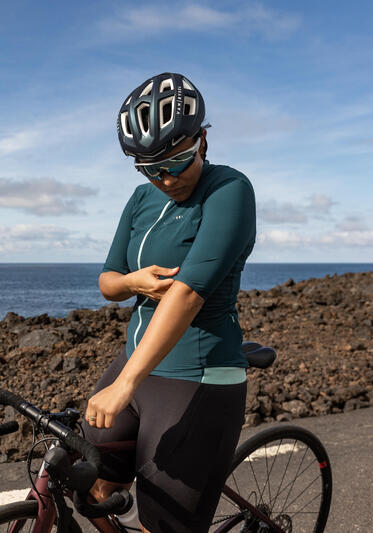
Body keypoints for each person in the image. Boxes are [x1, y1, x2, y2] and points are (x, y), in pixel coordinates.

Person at [82, 73, 256, 533]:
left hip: (195, 376)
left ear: (202, 139)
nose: (166, 179)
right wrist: (134, 282)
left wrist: (125, 384)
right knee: (89, 489)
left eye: (177, 162)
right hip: (134, 362)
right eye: (149, 168)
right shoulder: (141, 198)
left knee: (163, 524)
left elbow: (187, 294)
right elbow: (107, 282)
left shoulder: (229, 190)